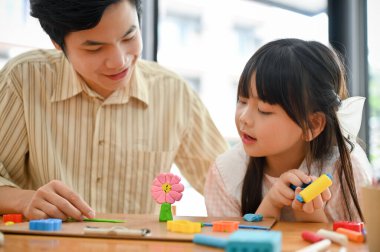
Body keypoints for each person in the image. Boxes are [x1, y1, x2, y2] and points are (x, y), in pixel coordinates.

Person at [0, 0, 228, 220]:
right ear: (57, 43)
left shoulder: (174, 92)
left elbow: (230, 184)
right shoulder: (23, 80)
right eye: (95, 48)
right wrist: (23, 200)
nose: (119, 61)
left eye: (129, 36)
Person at [204, 38, 373, 222]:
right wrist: (270, 205)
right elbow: (227, 247)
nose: (244, 117)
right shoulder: (226, 172)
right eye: (242, 101)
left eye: (264, 110)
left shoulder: (347, 169)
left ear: (313, 125)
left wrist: (310, 216)